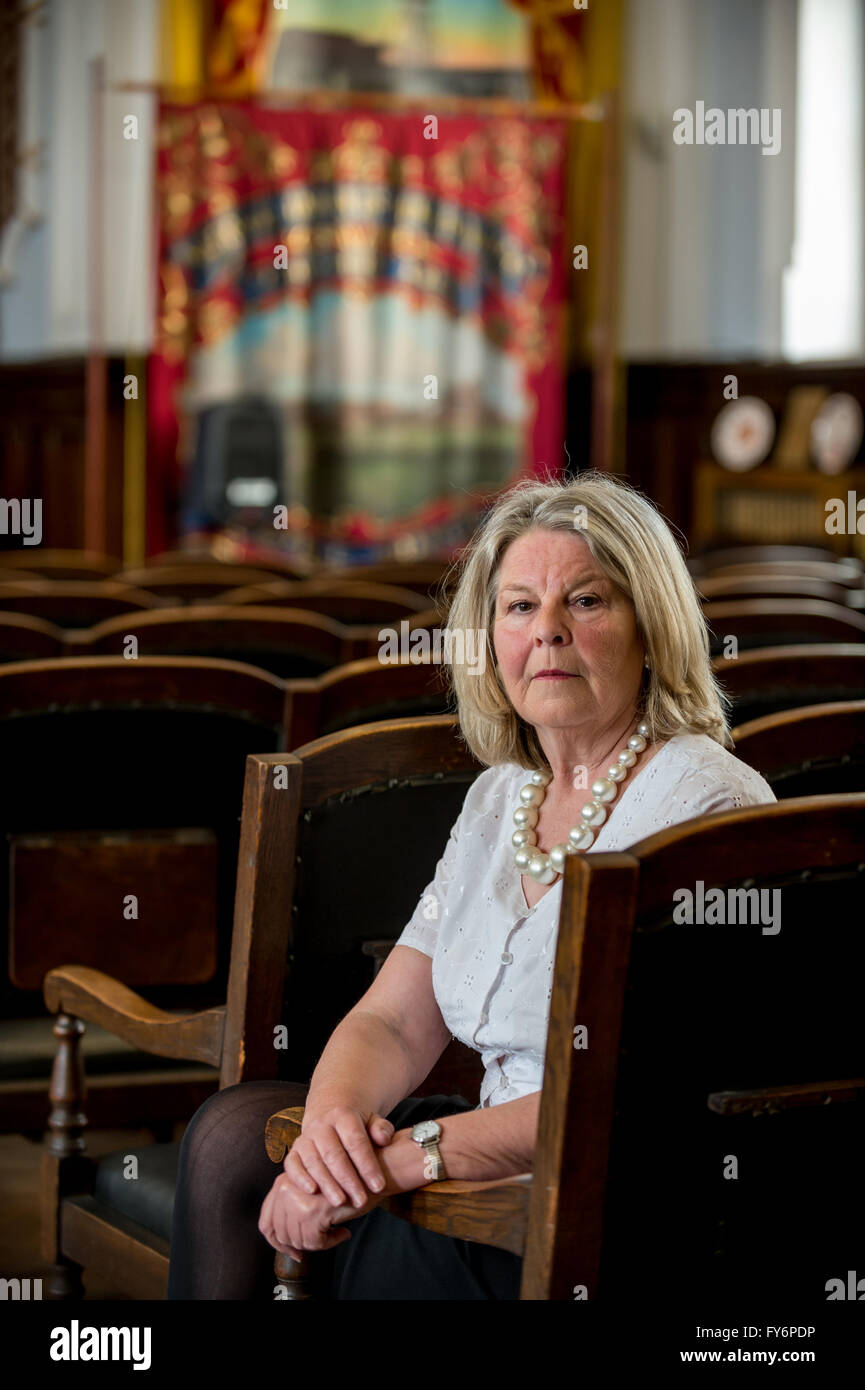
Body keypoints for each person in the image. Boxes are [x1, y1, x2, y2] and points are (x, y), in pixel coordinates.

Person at [166, 472, 776, 1300]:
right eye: (520, 606)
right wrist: (333, 1131)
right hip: (486, 1151)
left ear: (650, 628)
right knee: (234, 1136)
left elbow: (642, 1097)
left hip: (613, 1193)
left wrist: (413, 1158)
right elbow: (390, 1018)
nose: (547, 633)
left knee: (390, 1230)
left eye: (587, 602)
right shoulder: (502, 793)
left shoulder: (708, 800)